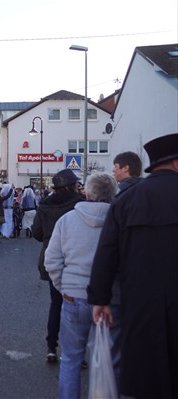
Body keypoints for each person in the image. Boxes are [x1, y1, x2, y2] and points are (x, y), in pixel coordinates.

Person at [88, 133, 178, 398]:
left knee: (146, 378)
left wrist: (100, 299)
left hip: (141, 305)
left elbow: (106, 253)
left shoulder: (126, 200)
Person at [45, 172, 121, 399]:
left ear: (86, 193)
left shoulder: (67, 221)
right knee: (112, 360)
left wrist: (65, 287)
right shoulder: (120, 221)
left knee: (70, 359)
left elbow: (52, 261)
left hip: (73, 298)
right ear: (114, 194)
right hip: (111, 300)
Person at [32, 169, 85, 362]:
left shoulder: (45, 205)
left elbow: (37, 232)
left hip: (51, 259)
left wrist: (49, 237)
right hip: (75, 259)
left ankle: (51, 347)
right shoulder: (80, 203)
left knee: (56, 304)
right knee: (77, 306)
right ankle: (78, 352)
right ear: (72, 185)